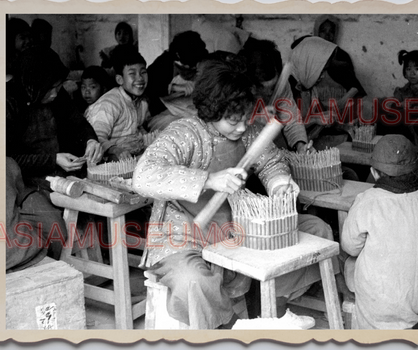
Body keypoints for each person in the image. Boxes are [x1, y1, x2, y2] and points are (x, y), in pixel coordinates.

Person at [132, 58, 335, 329]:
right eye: (233, 121)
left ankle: (274, 310)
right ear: (211, 110)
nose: (241, 128)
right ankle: (232, 329)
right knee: (193, 280)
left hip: (239, 225)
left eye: (245, 118)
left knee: (317, 232)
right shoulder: (184, 133)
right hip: (183, 233)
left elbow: (271, 161)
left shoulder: (248, 132)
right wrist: (209, 179)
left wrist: (279, 183)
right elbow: (143, 175)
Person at [341, 135, 418, 329]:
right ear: (417, 169)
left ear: (374, 173)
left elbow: (350, 246)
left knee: (351, 259)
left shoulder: (367, 200)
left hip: (383, 303)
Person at [6, 46, 103, 190]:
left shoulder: (56, 92)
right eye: (50, 89)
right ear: (34, 85)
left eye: (58, 87)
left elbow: (78, 122)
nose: (55, 94)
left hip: (60, 172)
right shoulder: (8, 102)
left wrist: (90, 140)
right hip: (23, 181)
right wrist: (53, 159)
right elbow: (7, 159)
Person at [85, 45, 151, 161]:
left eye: (143, 72)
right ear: (120, 79)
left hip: (130, 154)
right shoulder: (109, 104)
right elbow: (96, 137)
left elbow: (138, 127)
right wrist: (115, 150)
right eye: (132, 74)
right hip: (110, 158)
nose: (140, 78)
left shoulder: (142, 102)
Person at [146, 30, 208, 118]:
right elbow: (151, 93)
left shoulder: (199, 57)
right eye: (191, 66)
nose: (194, 68)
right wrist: (175, 88)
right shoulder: (162, 65)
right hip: (162, 109)